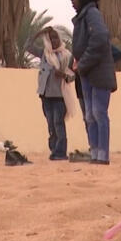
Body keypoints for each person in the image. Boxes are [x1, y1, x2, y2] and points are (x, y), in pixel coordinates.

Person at [71, 0, 117, 165]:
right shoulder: (83, 17)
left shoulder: (92, 13)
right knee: (89, 115)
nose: (71, 0)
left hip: (98, 73)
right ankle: (95, 153)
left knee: (99, 112)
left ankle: (103, 154)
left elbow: (99, 38)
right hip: (86, 73)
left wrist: (84, 62)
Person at [26, 27, 77, 161]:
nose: (54, 41)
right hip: (45, 96)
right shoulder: (44, 54)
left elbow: (74, 75)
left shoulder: (66, 55)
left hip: (60, 96)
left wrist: (64, 75)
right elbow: (28, 46)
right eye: (50, 38)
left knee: (58, 123)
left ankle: (61, 152)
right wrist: (39, 32)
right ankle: (54, 150)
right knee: (51, 124)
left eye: (55, 37)